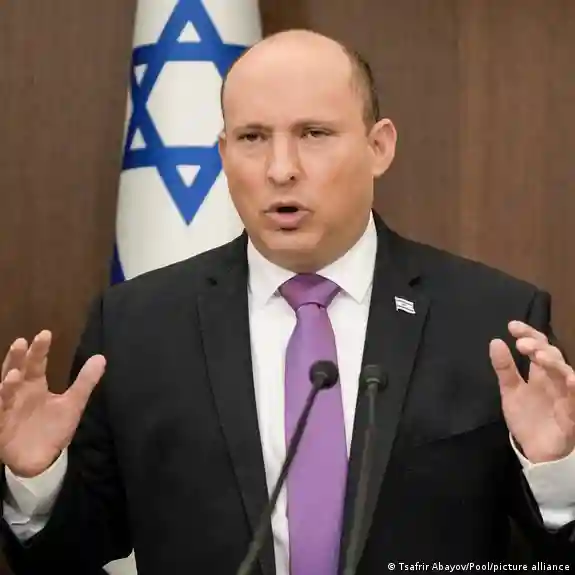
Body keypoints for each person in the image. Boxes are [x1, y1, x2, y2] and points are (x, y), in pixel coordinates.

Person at [1, 29, 574, 575]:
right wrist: (37, 482)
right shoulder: (137, 327)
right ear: (223, 153)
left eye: (314, 134)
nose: (281, 170)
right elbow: (74, 554)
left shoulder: (492, 323)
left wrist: (554, 477)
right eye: (252, 138)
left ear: (379, 147)